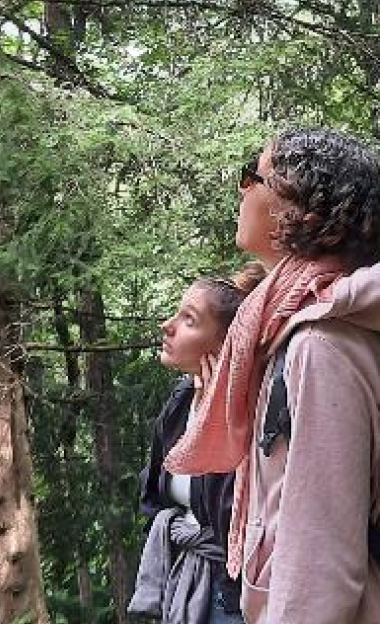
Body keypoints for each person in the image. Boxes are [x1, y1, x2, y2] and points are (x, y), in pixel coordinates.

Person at [165, 128, 380, 624]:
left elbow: (323, 560)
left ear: (299, 215)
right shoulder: (292, 325)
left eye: (252, 177)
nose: (242, 189)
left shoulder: (321, 346)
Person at [131, 265, 265, 624]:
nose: (167, 326)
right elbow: (152, 497)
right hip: (182, 580)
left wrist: (218, 421)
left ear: (225, 344)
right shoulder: (179, 403)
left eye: (188, 320)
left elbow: (229, 522)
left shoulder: (251, 413)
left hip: (230, 596)